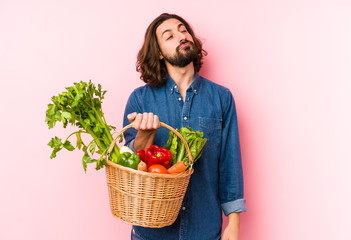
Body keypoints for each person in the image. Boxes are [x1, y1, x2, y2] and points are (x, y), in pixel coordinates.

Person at [123, 13, 247, 240]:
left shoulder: (221, 98)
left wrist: (233, 223)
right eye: (169, 36)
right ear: (159, 53)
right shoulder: (140, 100)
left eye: (183, 30)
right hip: (151, 234)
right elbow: (130, 168)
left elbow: (230, 164)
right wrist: (145, 135)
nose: (181, 36)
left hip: (205, 231)